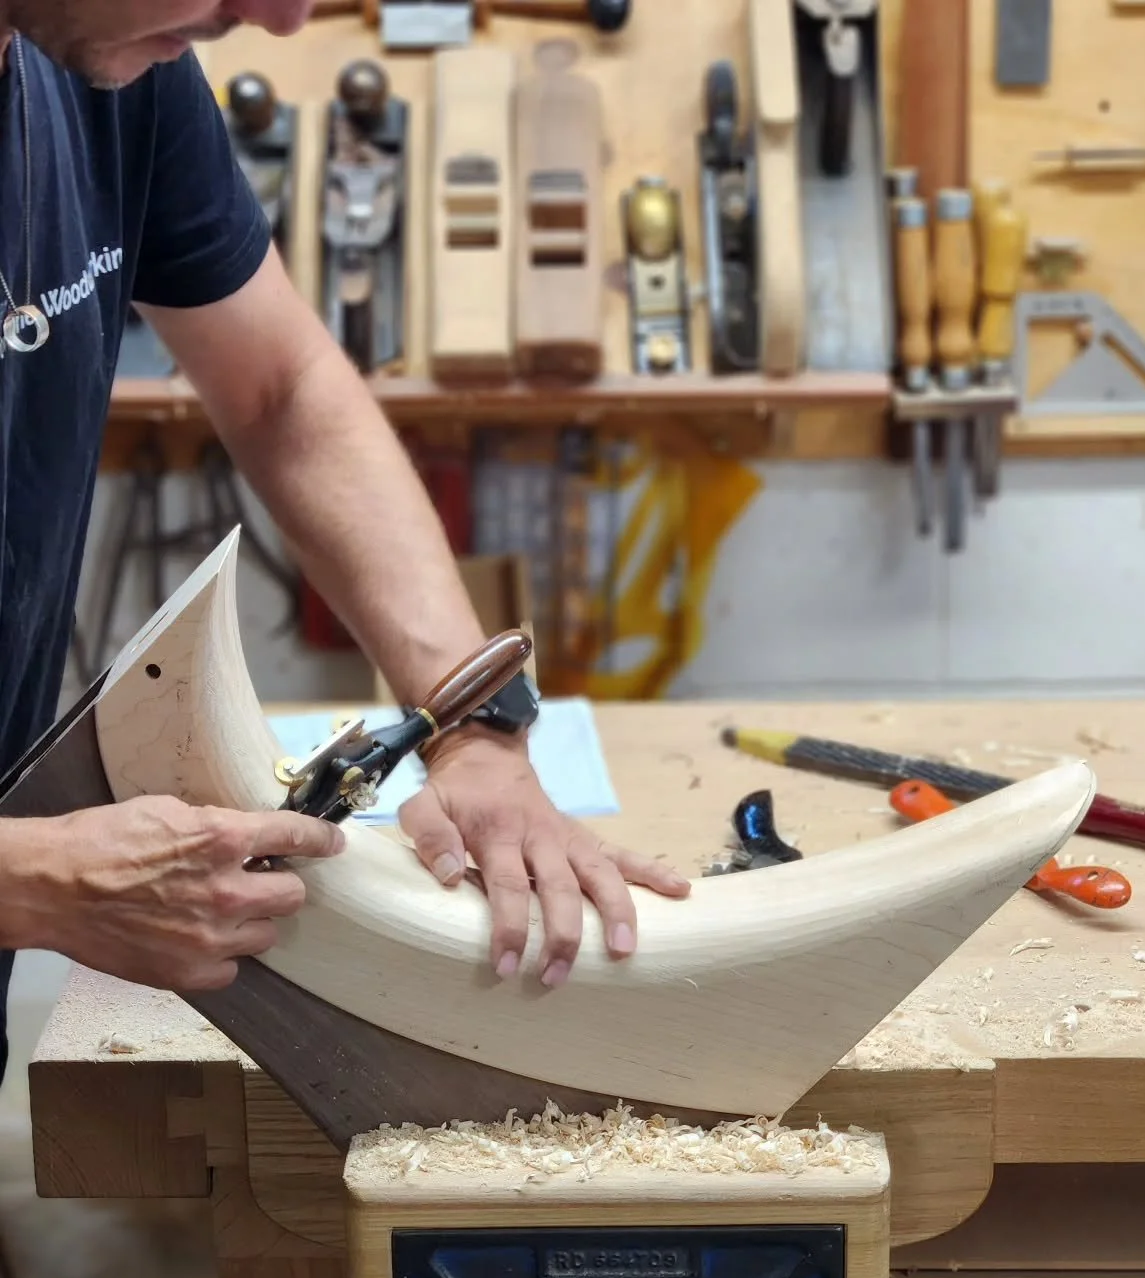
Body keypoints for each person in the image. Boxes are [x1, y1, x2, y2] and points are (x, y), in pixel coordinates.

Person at [0, 0, 693, 1088]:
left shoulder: (112, 76)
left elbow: (282, 391)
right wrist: (25, 878)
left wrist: (467, 723)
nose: (277, 19)